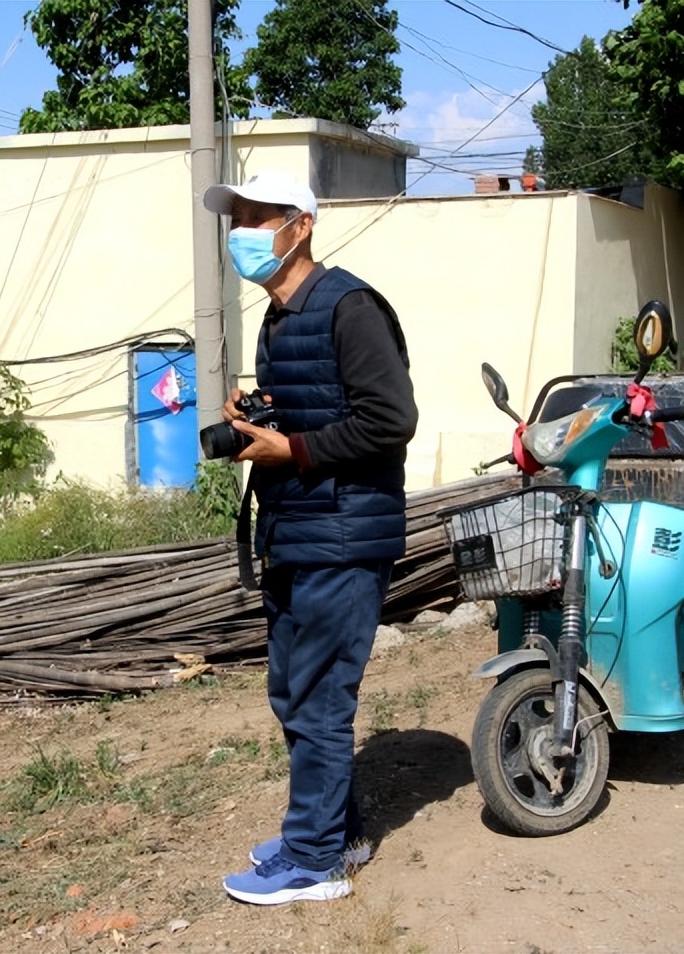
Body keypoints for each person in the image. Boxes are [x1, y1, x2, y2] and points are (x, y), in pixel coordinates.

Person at [202, 170, 418, 905]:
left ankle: (315, 860)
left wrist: (290, 450)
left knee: (322, 698)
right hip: (296, 532)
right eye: (239, 219)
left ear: (301, 227)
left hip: (344, 536)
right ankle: (337, 832)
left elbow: (390, 420)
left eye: (259, 217)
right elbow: (313, 411)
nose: (243, 233)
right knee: (295, 691)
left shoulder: (349, 306)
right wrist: (256, 413)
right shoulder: (279, 316)